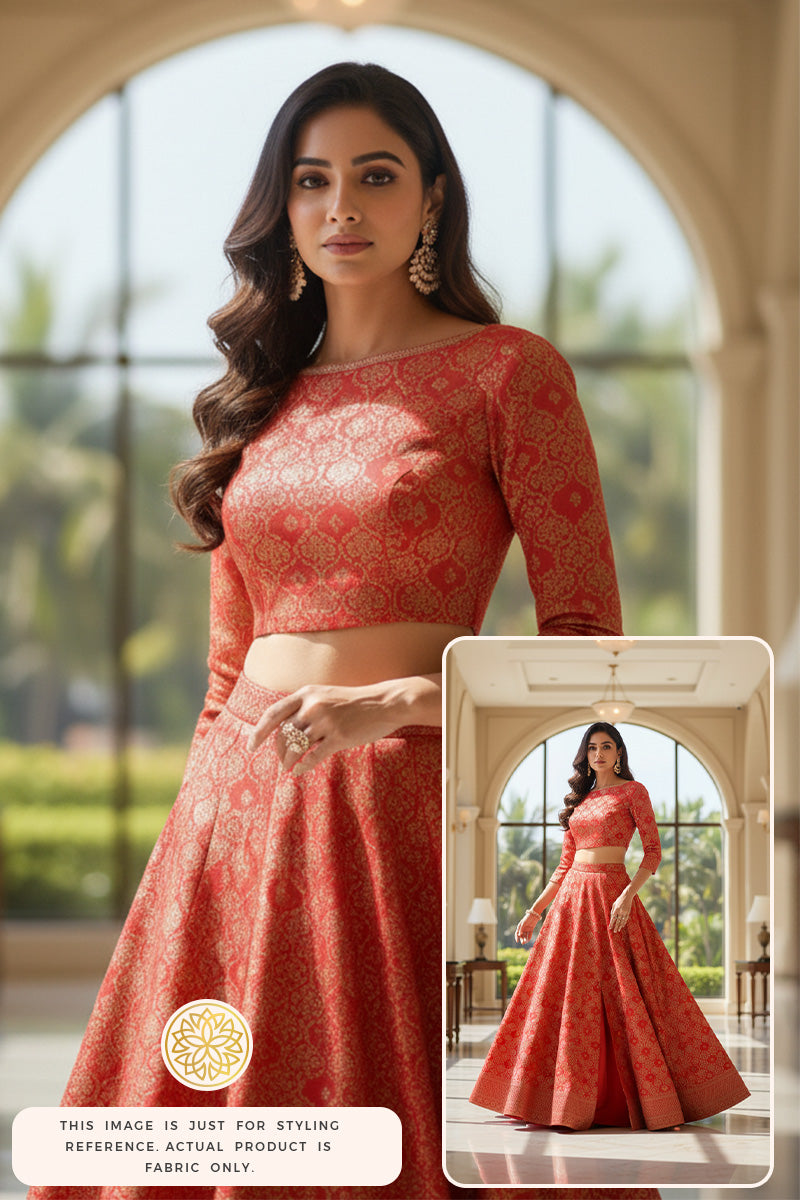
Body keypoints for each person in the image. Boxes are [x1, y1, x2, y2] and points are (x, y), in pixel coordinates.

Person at [28, 64, 649, 1200]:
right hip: (239, 818)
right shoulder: (260, 399)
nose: (340, 208)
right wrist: (194, 854)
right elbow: (227, 665)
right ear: (283, 209)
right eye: (310, 181)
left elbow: (583, 643)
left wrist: (393, 707)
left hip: (401, 813)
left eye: (375, 176)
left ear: (433, 198)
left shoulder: (505, 374)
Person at [469, 721, 750, 1134]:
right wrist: (534, 912)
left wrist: (627, 895)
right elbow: (564, 867)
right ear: (585, 755)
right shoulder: (579, 804)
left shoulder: (634, 793)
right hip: (570, 905)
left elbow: (652, 852)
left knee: (630, 993)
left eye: (607, 746)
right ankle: (552, 1100)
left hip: (613, 897)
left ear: (619, 753)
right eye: (592, 747)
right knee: (562, 997)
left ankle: (656, 1098)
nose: (599, 754)